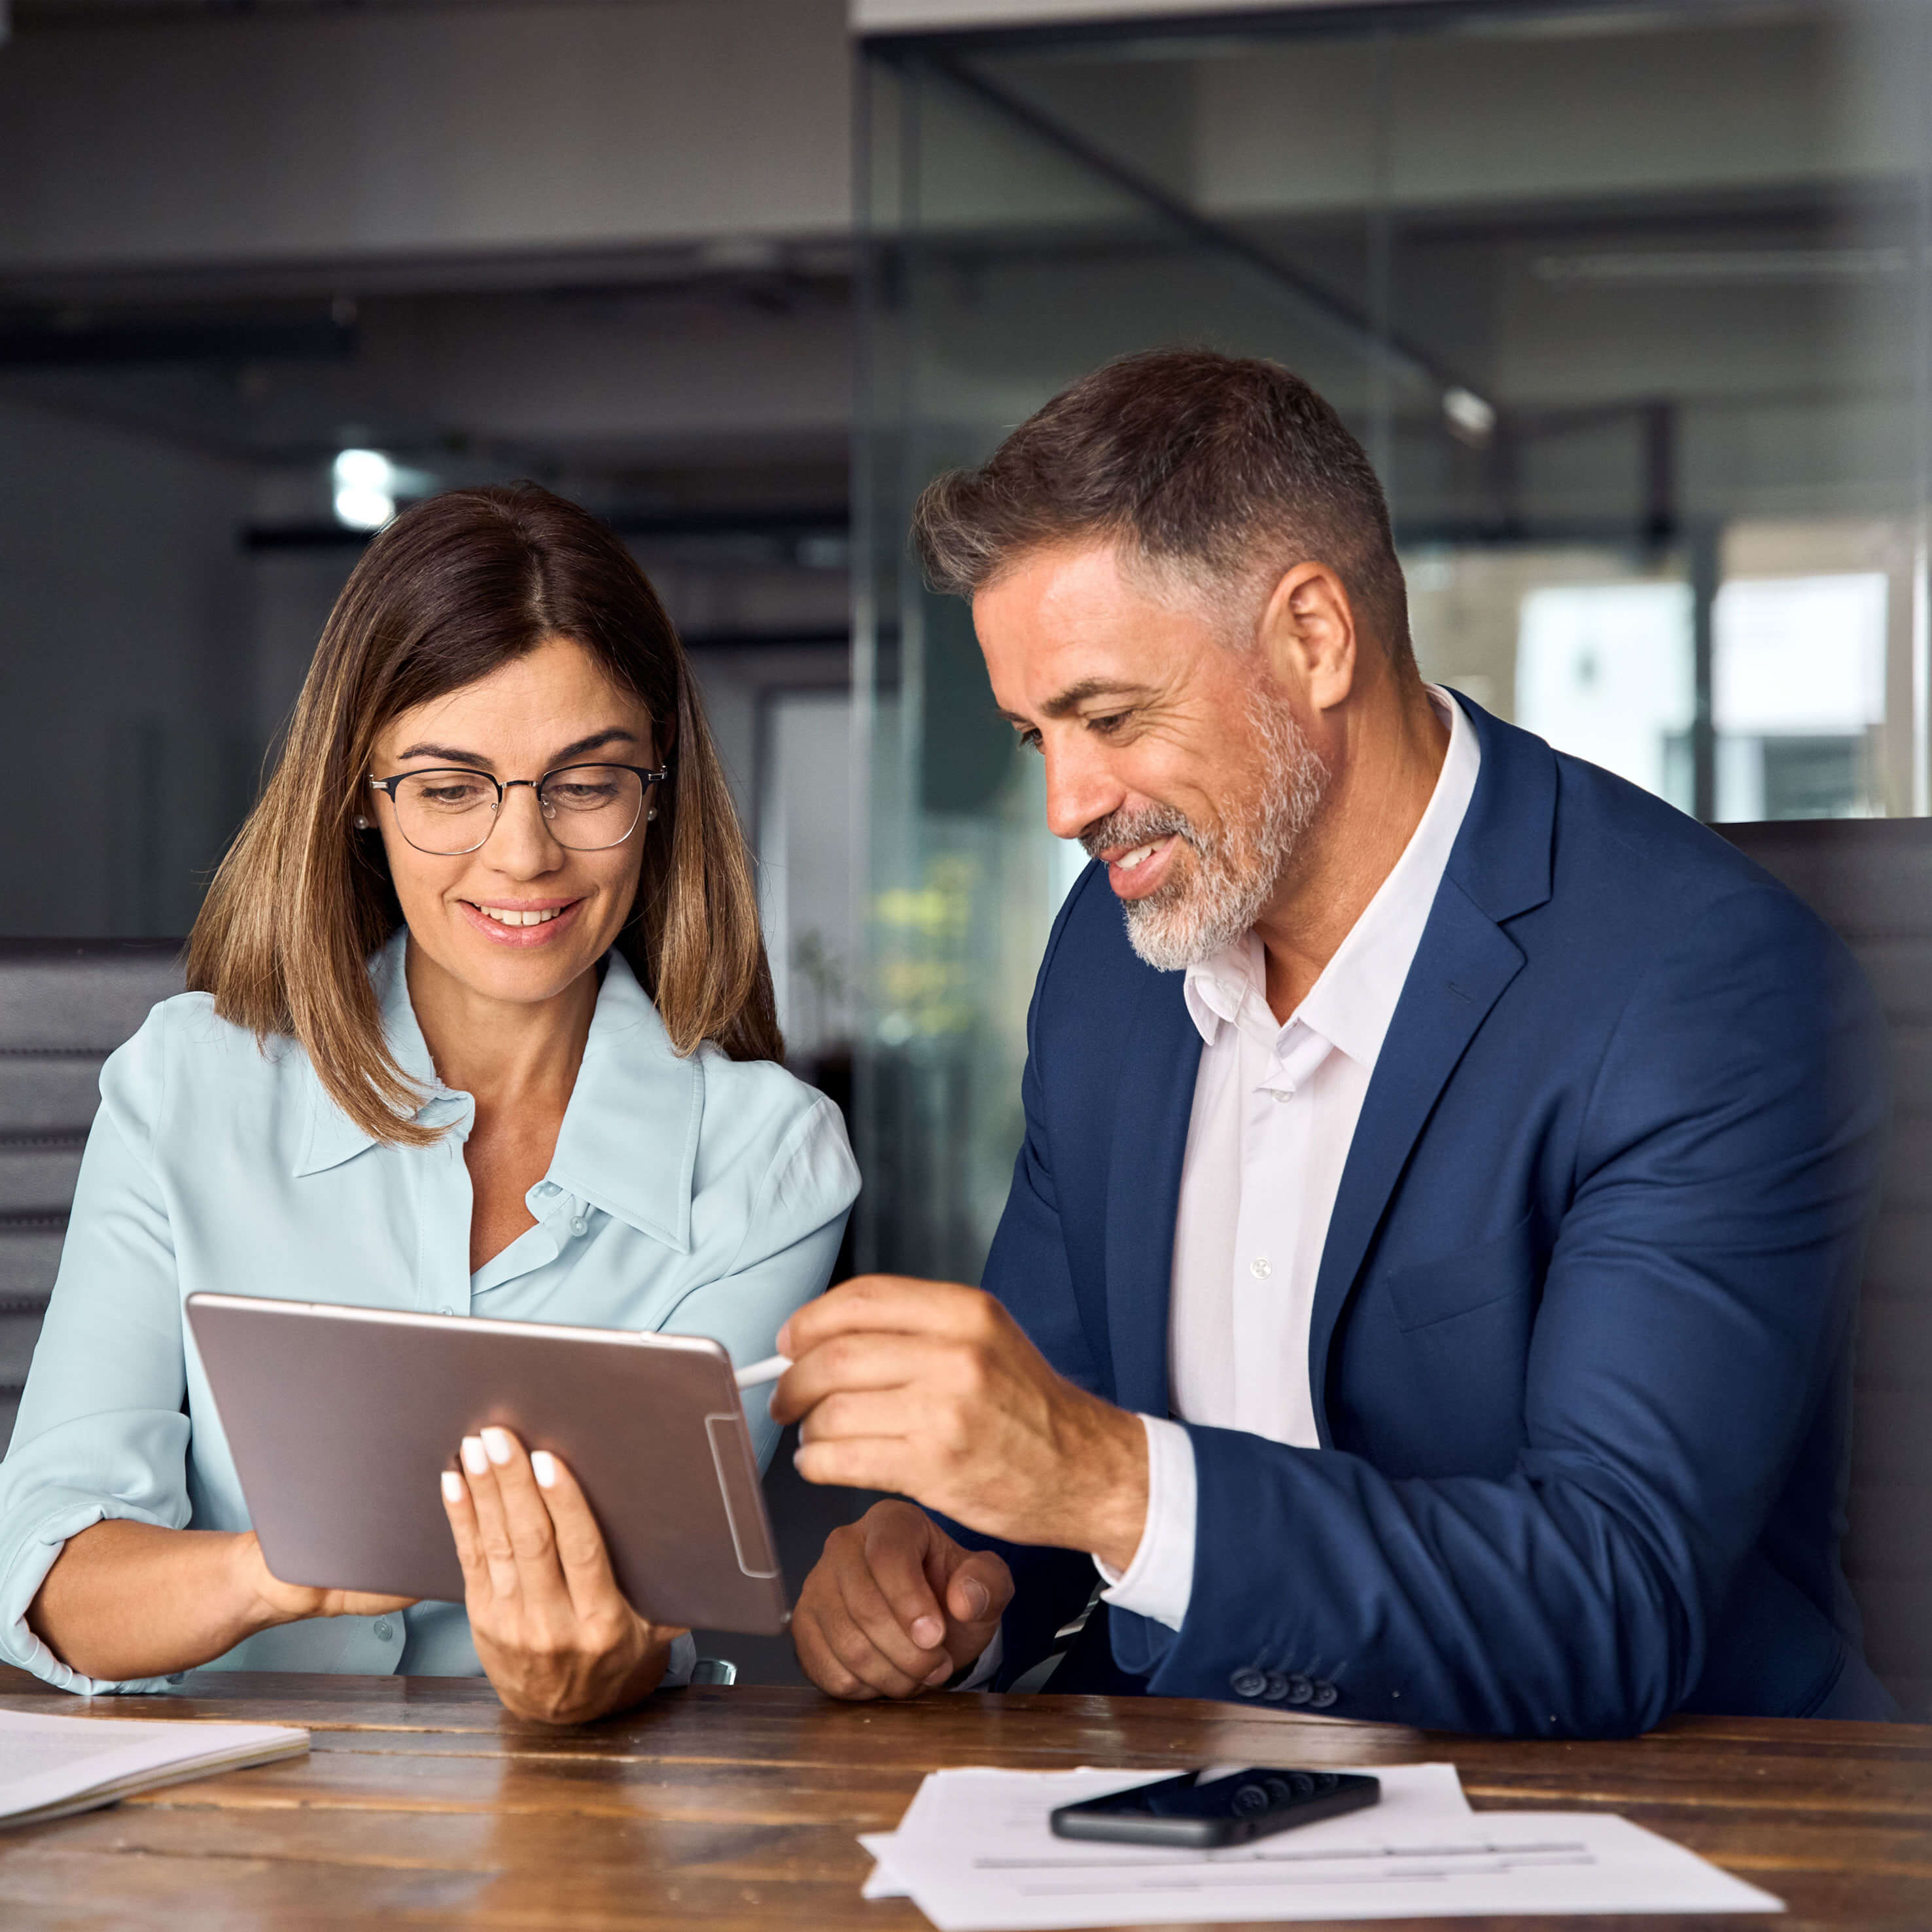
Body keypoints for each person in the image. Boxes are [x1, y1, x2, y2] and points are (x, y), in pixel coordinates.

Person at [773, 348, 1894, 1733]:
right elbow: (1052, 1432)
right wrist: (942, 1568)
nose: (1066, 802)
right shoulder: (1109, 965)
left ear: (1314, 635)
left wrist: (1114, 1484)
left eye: (1108, 716)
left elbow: (1617, 1598)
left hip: (1626, 1819)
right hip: (1169, 1797)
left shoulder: (1701, 989)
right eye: (1030, 737)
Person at [0, 483, 858, 1724]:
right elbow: (54, 1574)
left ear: (656, 791)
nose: (522, 857)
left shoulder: (770, 1163)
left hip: (576, 1842)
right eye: (451, 786)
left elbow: (649, 1608)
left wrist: (589, 1667)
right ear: (361, 792)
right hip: (229, 1849)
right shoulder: (185, 1085)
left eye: (587, 783)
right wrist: (281, 1570)